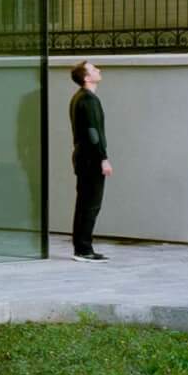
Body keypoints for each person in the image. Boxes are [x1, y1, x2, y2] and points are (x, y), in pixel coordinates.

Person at [69, 60, 113, 261]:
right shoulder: (89, 100)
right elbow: (93, 132)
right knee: (90, 204)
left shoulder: (79, 98)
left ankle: (81, 247)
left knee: (84, 203)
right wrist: (103, 158)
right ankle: (84, 249)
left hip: (83, 157)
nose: (99, 70)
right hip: (90, 160)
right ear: (87, 78)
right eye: (94, 69)